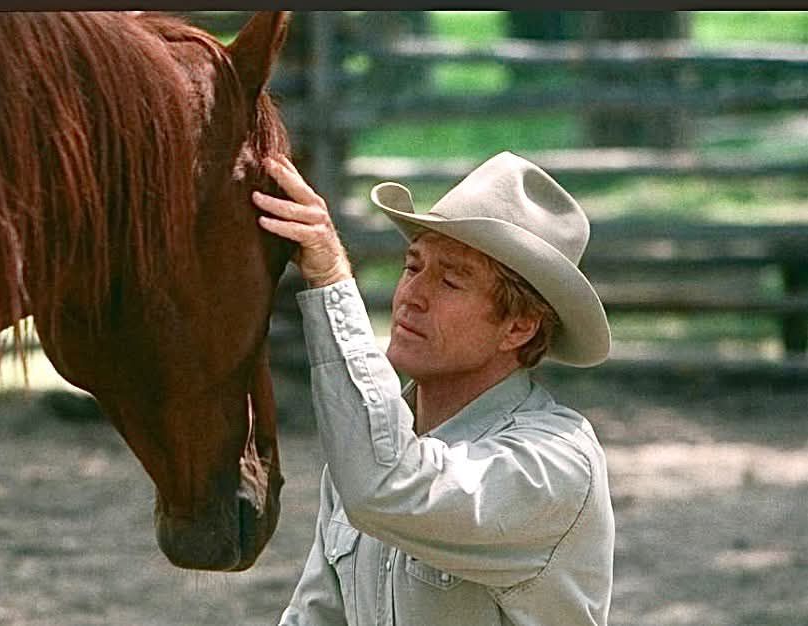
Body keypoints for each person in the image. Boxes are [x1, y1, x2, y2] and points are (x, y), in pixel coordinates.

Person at [253, 151, 615, 625]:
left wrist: (331, 280)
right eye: (412, 266)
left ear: (519, 326)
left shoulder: (554, 467)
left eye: (450, 281)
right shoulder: (367, 446)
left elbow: (385, 485)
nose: (412, 296)